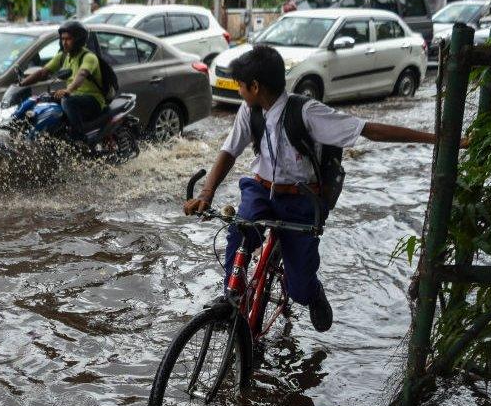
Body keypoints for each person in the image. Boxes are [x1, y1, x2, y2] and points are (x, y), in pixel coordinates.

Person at [183, 44, 461, 332]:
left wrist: (440, 138)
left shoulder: (308, 113)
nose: (238, 91)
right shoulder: (249, 111)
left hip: (300, 200)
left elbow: (369, 130)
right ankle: (232, 296)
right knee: (239, 234)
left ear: (255, 86)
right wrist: (206, 194)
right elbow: (229, 151)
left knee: (299, 289)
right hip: (260, 190)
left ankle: (313, 293)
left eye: (240, 85)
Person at [18, 21, 105, 137]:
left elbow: (82, 74)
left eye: (68, 39)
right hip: (75, 97)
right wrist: (21, 84)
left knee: (67, 101)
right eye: (62, 39)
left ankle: (79, 138)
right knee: (41, 98)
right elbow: (42, 73)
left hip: (93, 101)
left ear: (78, 39)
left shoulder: (89, 57)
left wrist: (68, 90)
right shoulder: (64, 56)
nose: (64, 43)